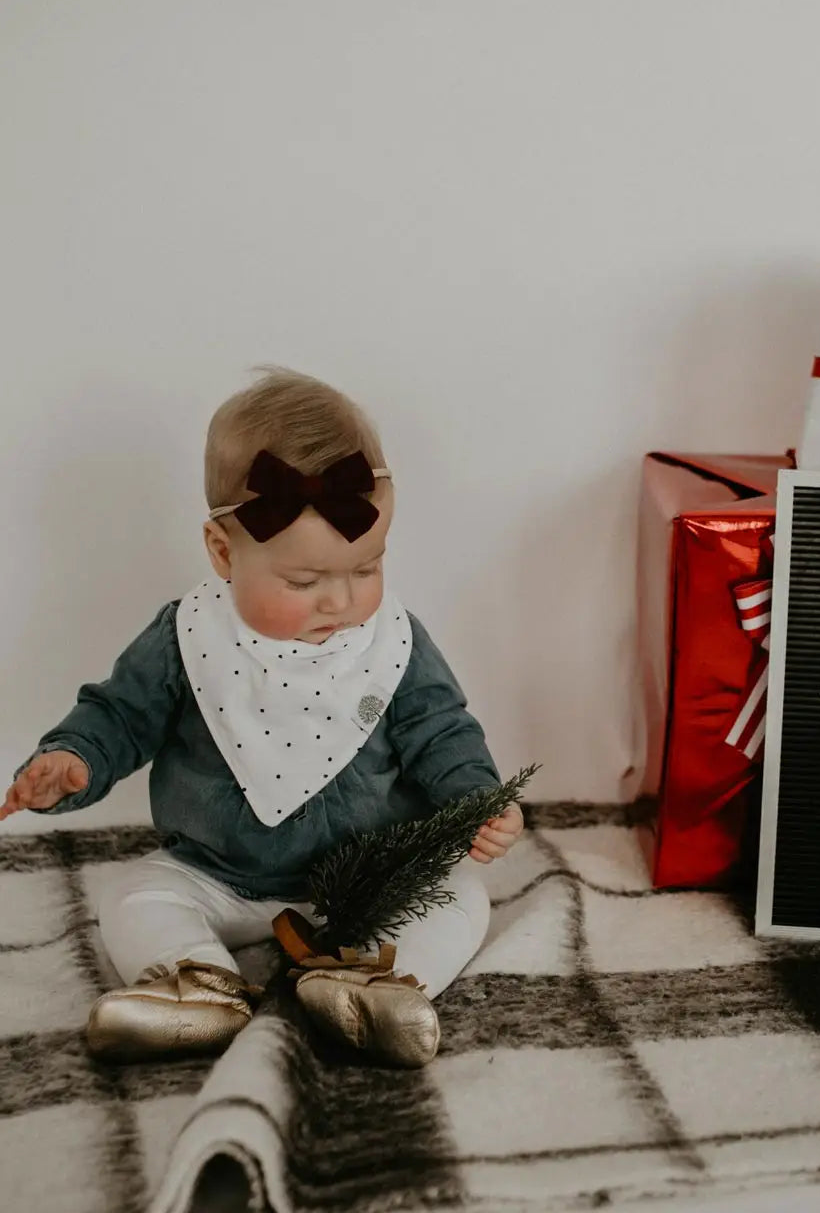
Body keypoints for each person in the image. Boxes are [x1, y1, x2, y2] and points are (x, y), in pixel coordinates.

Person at [1, 369, 522, 1067]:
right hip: (218, 873)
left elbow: (441, 728)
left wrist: (476, 799)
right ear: (223, 552)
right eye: (304, 582)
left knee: (459, 893)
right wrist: (76, 759)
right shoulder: (186, 637)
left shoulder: (391, 643)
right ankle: (197, 983)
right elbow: (120, 716)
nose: (339, 601)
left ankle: (376, 987)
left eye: (366, 568)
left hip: (370, 878)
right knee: (132, 892)